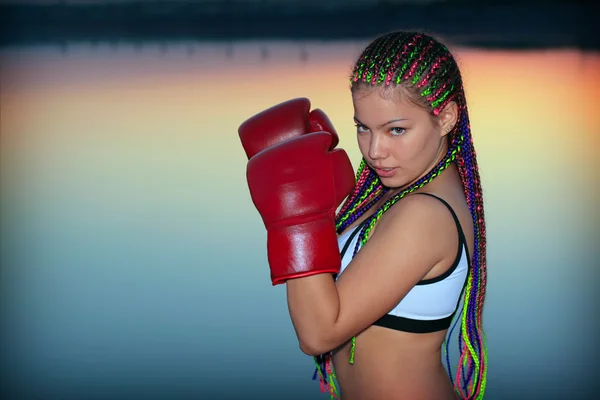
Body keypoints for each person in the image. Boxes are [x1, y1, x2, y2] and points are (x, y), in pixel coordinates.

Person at [238, 31, 488, 400]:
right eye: (363, 128)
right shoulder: (396, 191)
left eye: (396, 130)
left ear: (447, 117)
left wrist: (296, 217)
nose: (375, 151)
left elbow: (319, 333)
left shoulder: (424, 214)